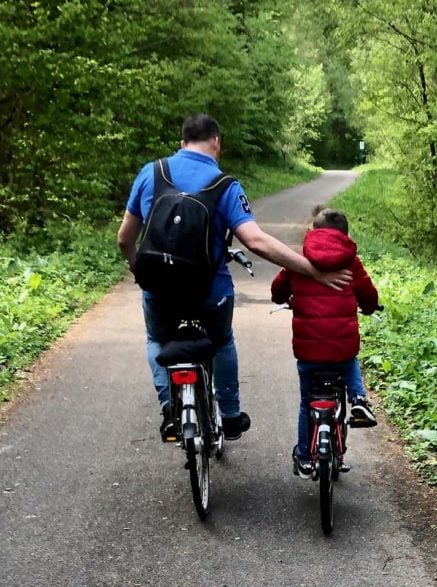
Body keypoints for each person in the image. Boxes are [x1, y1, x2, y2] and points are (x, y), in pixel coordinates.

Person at [116, 114, 351, 442]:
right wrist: (310, 269)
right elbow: (256, 241)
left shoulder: (151, 173)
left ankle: (170, 407)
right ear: (216, 143)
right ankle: (229, 415)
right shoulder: (225, 185)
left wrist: (136, 268)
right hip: (210, 293)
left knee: (157, 340)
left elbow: (125, 239)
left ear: (182, 142)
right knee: (221, 341)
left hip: (160, 289)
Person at [270, 207, 380, 479]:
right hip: (341, 352)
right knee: (349, 359)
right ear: (345, 235)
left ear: (313, 231)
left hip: (309, 354)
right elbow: (368, 295)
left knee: (306, 402)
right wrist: (368, 306)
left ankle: (305, 458)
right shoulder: (351, 263)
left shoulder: (299, 260)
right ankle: (357, 398)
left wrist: (287, 298)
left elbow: (277, 290)